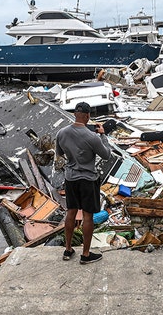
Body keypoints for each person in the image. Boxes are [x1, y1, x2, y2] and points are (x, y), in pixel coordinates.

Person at [55, 102, 111, 264]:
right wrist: (103, 135)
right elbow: (106, 155)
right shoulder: (92, 137)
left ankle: (68, 249)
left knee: (71, 213)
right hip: (88, 180)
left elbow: (60, 154)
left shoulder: (61, 133)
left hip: (70, 178)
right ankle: (85, 254)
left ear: (74, 114)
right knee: (87, 216)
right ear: (88, 116)